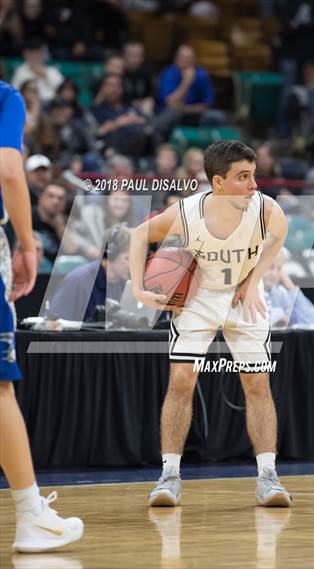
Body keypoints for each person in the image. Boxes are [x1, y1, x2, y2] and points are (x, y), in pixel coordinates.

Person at [130, 140, 292, 508]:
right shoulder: (185, 212)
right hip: (199, 299)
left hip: (244, 297)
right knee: (182, 381)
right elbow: (139, 235)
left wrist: (252, 282)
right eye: (243, 177)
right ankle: (169, 475)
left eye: (254, 176)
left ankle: (268, 476)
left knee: (257, 384)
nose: (253, 185)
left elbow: (277, 239)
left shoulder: (267, 209)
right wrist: (139, 289)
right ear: (218, 182)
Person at [0, 80, 83, 552]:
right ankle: (32, 516)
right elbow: (9, 170)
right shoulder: (4, 96)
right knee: (0, 385)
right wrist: (27, 245)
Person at [49, 224, 131, 321]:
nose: (133, 265)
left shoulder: (127, 284)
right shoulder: (78, 281)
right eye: (127, 258)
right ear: (110, 254)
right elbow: (54, 323)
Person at [263, 249, 314, 327]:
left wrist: (291, 287)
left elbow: (310, 322)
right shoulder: (250, 294)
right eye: (270, 268)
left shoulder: (281, 293)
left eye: (279, 269)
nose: (274, 274)